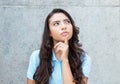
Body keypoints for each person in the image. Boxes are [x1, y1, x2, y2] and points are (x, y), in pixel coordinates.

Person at [27, 8, 91, 84]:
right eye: (56, 24)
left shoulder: (84, 58)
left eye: (67, 22)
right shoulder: (36, 56)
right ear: (49, 32)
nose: (64, 27)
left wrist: (65, 60)